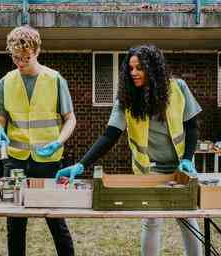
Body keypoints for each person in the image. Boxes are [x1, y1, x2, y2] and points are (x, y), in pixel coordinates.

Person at [55, 45, 203, 256]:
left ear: (153, 69)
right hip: (150, 170)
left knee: (188, 219)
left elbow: (192, 126)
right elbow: (110, 135)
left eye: (139, 68)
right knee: (151, 221)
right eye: (131, 68)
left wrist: (188, 158)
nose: (133, 73)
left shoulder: (178, 88)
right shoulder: (126, 100)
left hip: (182, 167)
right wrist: (81, 164)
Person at [0, 25, 76, 256]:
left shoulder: (54, 79)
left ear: (36, 51)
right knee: (15, 222)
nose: (20, 62)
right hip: (15, 160)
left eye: (26, 58)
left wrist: (58, 141)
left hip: (48, 161)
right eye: (16, 57)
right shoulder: (5, 82)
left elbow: (70, 119)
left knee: (55, 219)